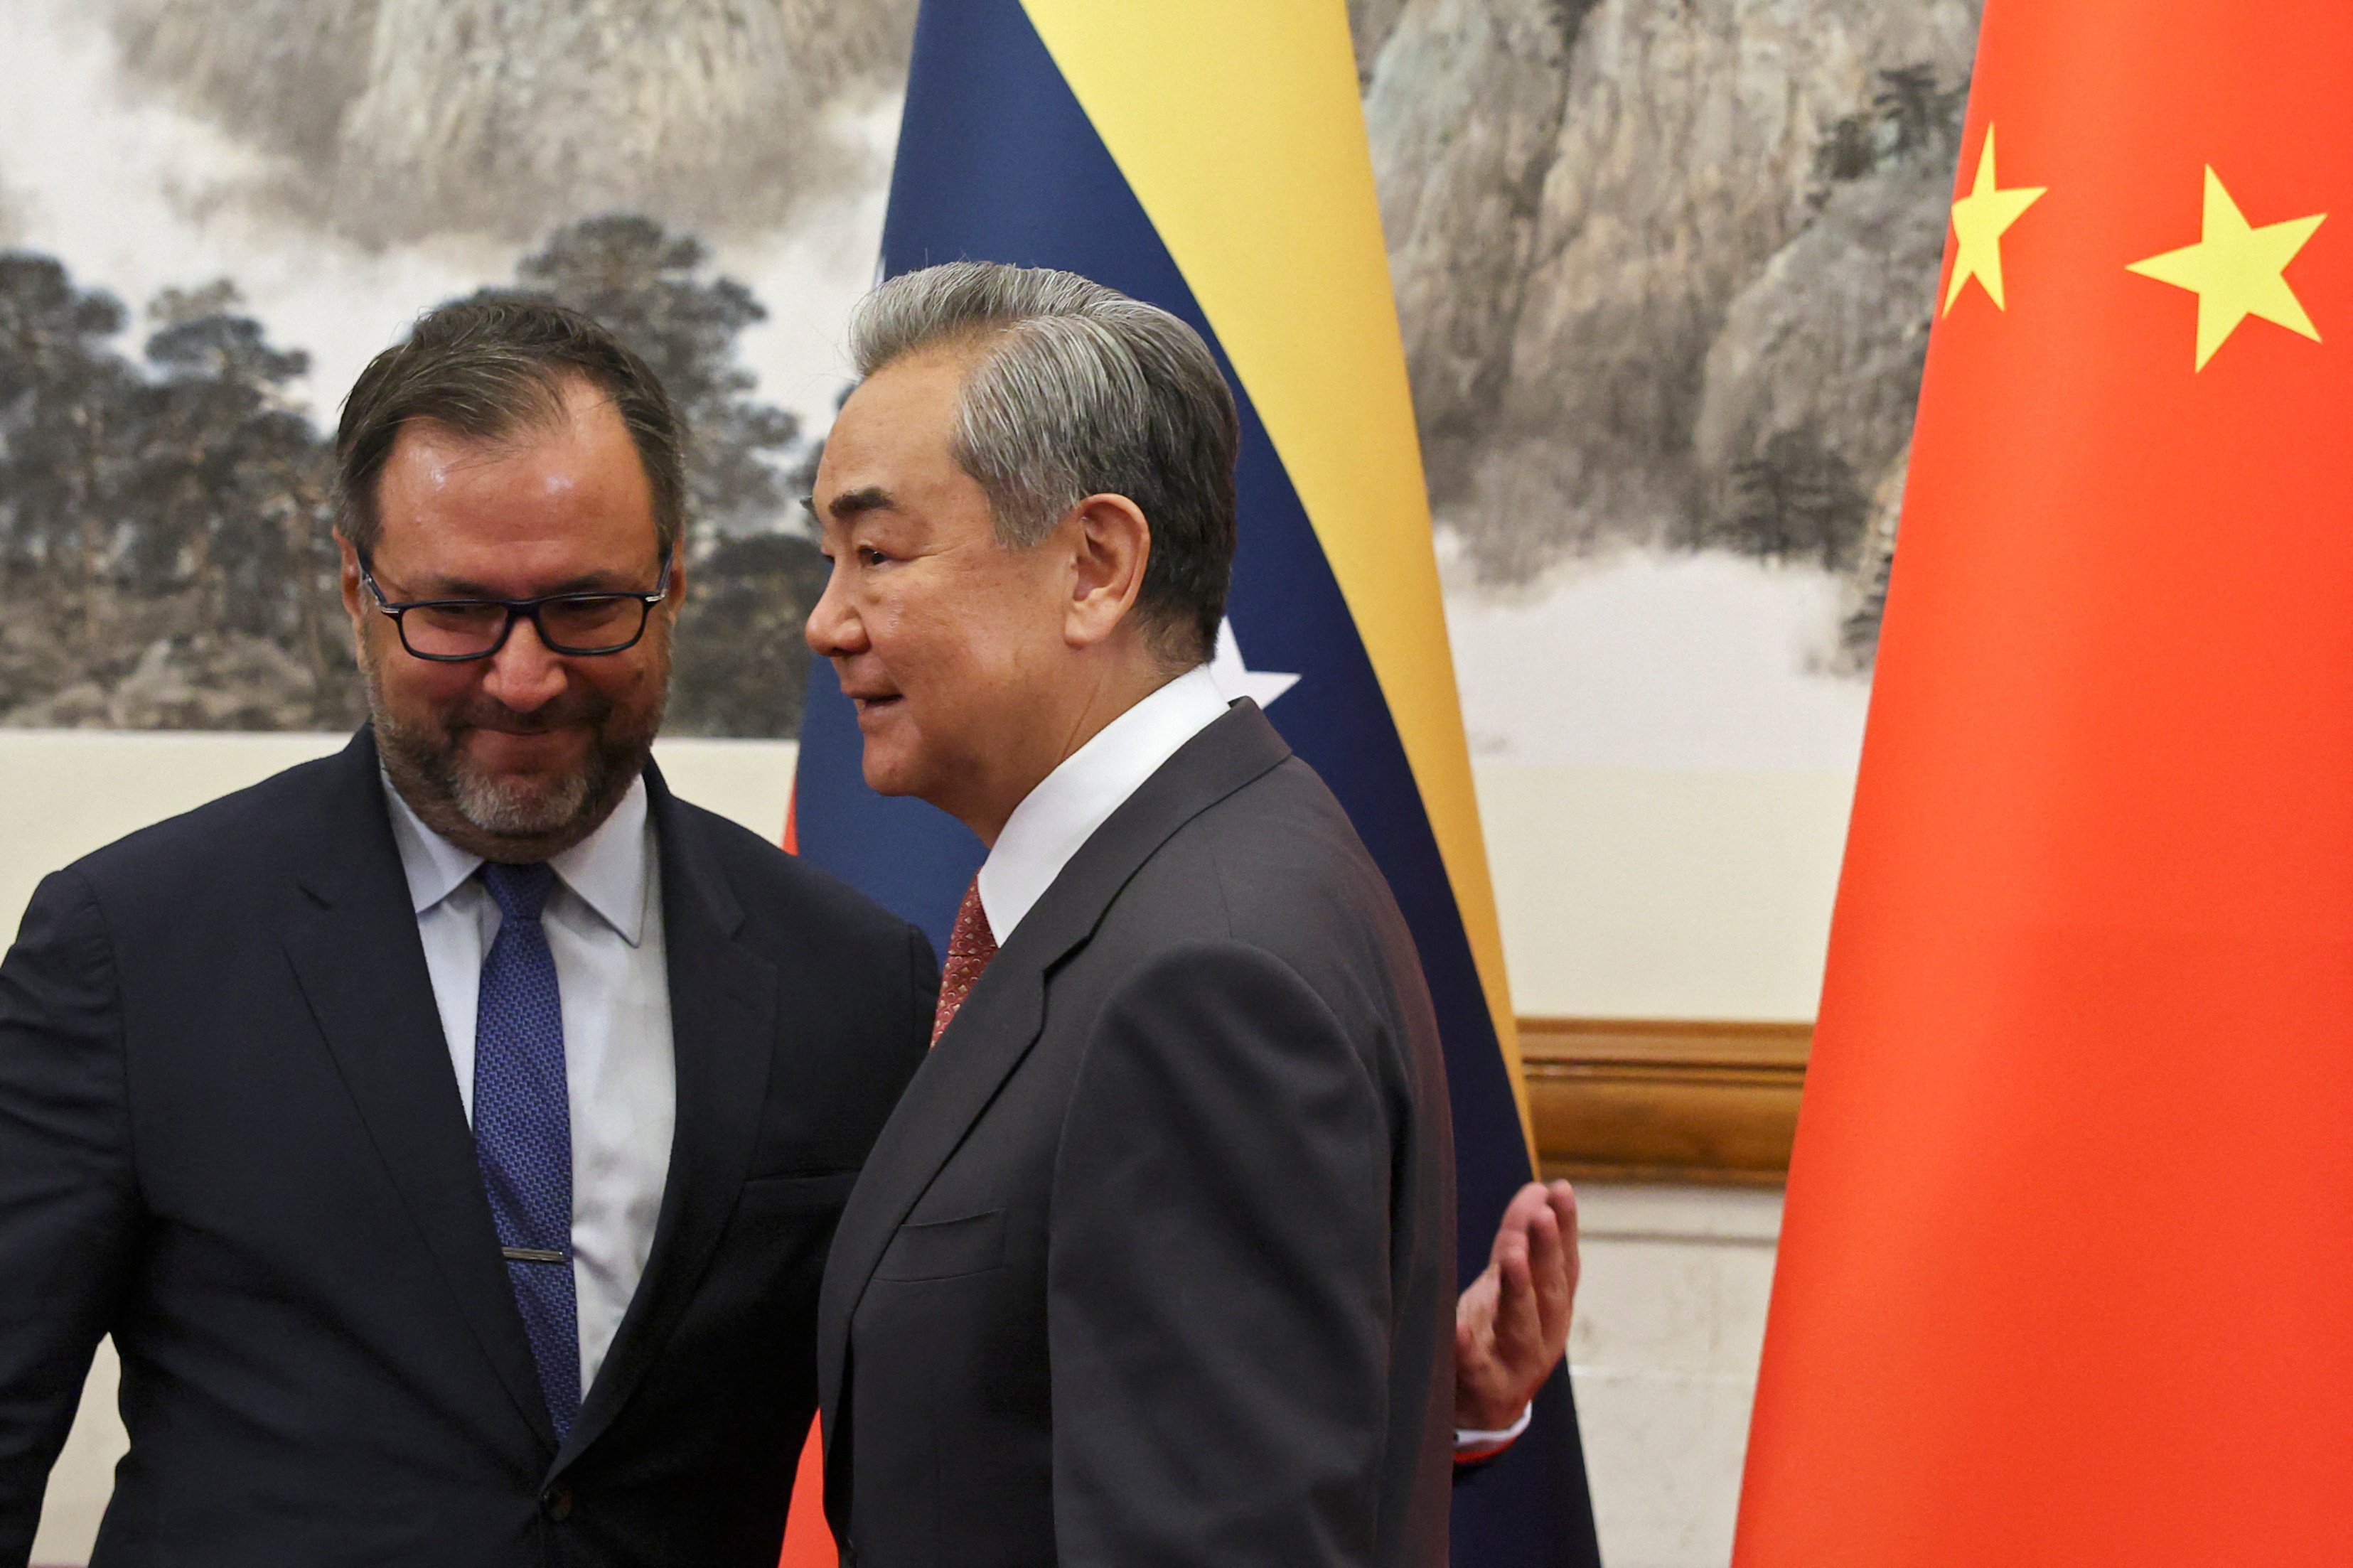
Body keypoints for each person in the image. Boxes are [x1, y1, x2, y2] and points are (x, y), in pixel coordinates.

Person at [0, 299, 936, 1566]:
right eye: (452, 613)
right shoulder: (131, 948)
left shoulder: (856, 981)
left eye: (585, 605)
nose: (523, 675)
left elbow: (921, 1474)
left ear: (674, 577)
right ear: (354, 586)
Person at [807, 259, 1573, 1568]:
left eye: (876, 554)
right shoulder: (1194, 873)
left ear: (1095, 566)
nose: (829, 621)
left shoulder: (1203, 967)